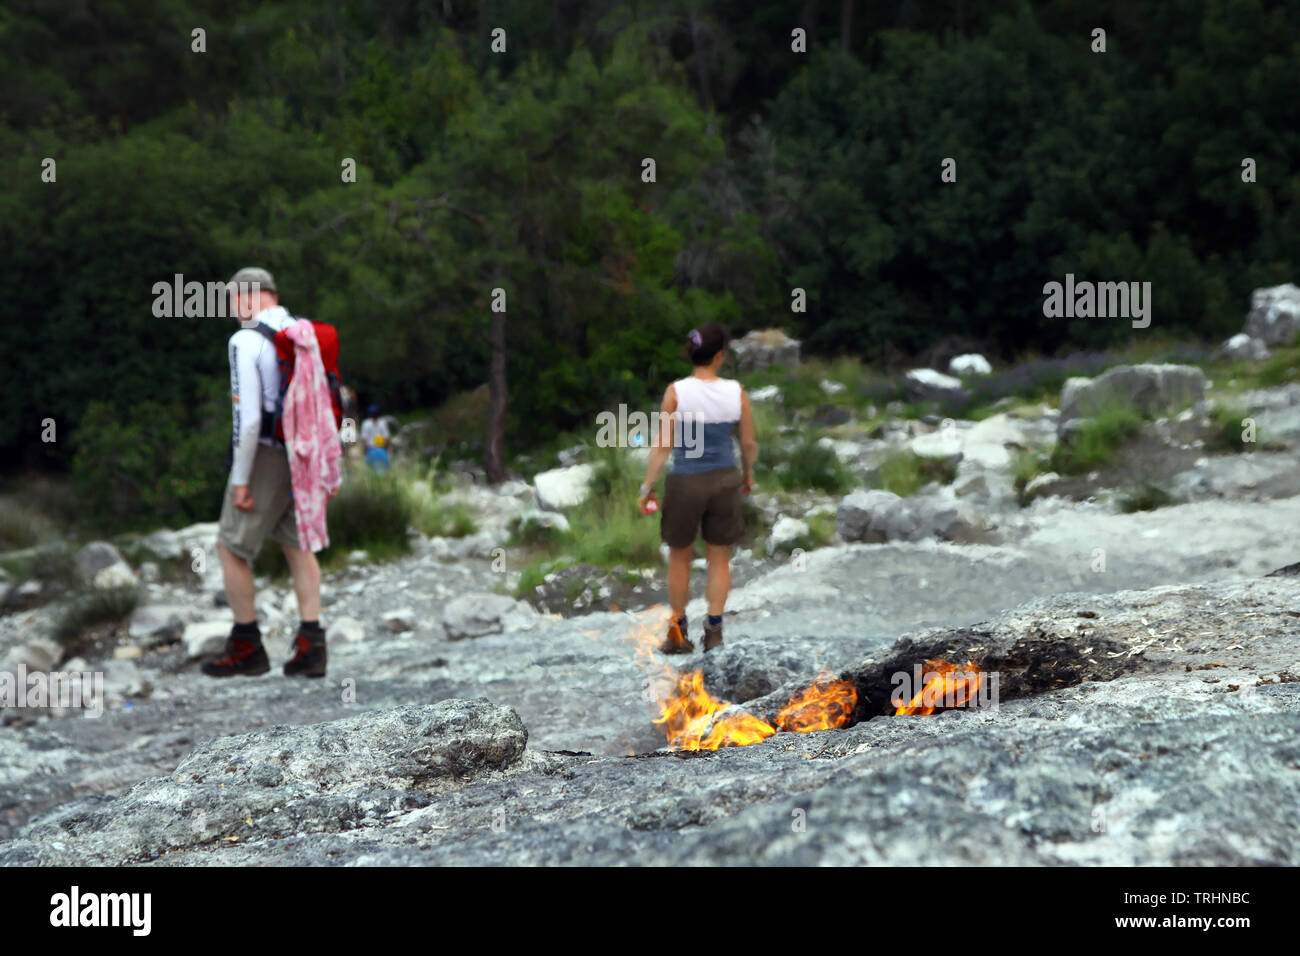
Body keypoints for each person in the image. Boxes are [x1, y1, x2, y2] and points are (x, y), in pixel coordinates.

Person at [202, 267, 328, 678]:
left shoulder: (246, 339)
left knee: (230, 547)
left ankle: (247, 646)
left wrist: (240, 479)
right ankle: (311, 646)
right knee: (298, 544)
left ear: (246, 296)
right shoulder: (300, 331)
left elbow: (249, 420)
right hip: (305, 455)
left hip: (268, 456)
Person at [638, 324, 757, 653]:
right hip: (725, 480)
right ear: (720, 356)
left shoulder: (676, 391)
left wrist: (647, 486)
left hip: (685, 481)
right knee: (719, 558)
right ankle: (714, 631)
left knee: (680, 558)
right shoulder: (737, 392)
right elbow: (747, 442)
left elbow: (663, 444)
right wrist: (747, 477)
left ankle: (678, 632)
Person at [360, 404, 391, 473]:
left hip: (375, 449)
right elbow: (387, 438)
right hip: (376, 449)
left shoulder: (367, 423)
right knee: (382, 470)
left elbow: (364, 440)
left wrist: (364, 451)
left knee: (372, 470)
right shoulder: (381, 423)